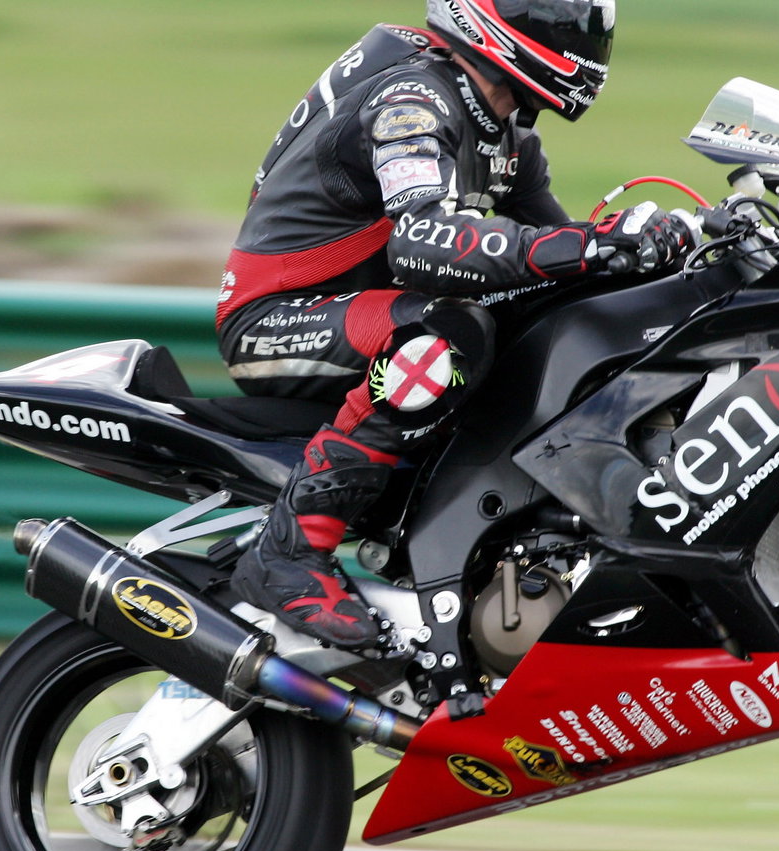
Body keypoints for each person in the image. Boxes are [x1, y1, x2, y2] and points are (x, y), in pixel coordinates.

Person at [216, 0, 693, 649]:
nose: (581, 33)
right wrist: (591, 244)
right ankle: (289, 551)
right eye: (561, 16)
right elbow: (418, 244)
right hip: (276, 318)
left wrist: (660, 245)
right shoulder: (411, 101)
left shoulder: (506, 133)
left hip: (371, 311)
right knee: (451, 337)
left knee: (549, 307)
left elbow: (562, 257)